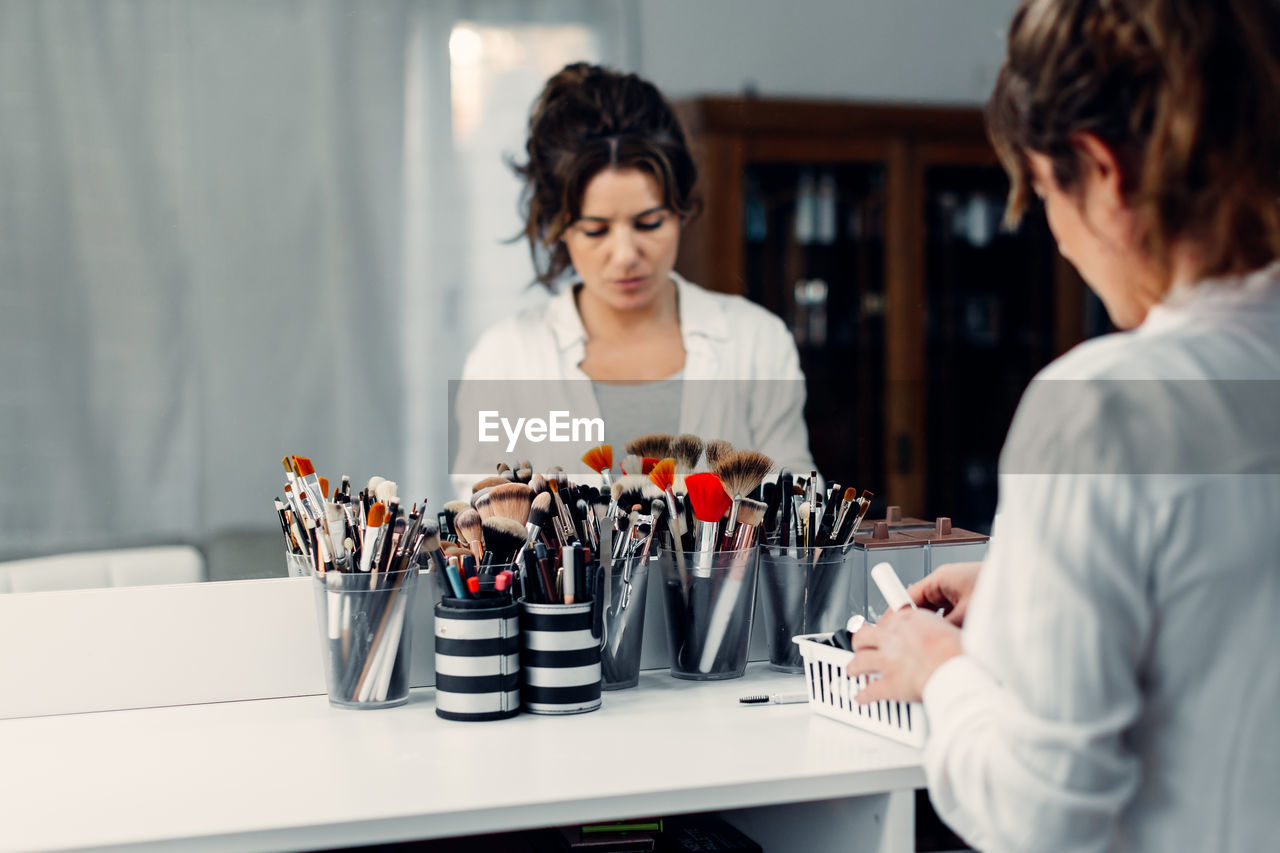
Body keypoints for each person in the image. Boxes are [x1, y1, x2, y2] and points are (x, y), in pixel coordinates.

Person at [848, 1, 1280, 851]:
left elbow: (1042, 812)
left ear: (1099, 170)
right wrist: (1022, 580)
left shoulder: (1104, 406)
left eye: (1042, 193)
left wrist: (944, 672)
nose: (1057, 236)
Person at [456, 63, 815, 483]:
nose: (626, 255)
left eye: (649, 223)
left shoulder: (756, 342)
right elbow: (480, 516)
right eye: (596, 230)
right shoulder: (504, 359)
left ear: (681, 208)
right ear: (559, 228)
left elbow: (799, 501)